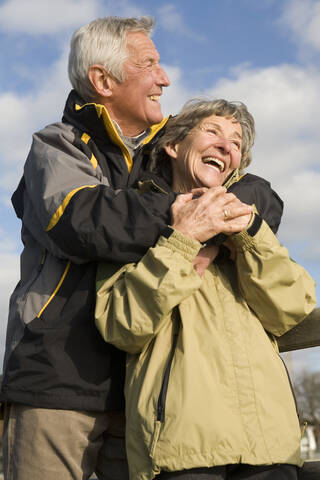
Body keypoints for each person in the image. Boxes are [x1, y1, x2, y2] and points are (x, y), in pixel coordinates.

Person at [0, 17, 252, 480]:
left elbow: (259, 194)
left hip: (144, 388)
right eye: (150, 64)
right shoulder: (56, 146)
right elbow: (83, 221)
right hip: (55, 381)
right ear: (103, 81)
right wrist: (196, 215)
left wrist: (221, 206)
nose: (165, 78)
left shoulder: (167, 149)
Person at [95, 99, 317, 480]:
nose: (226, 145)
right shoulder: (132, 221)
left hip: (270, 444)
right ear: (174, 146)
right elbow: (123, 325)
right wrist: (183, 240)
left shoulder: (251, 227)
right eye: (213, 131)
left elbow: (293, 308)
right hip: (182, 449)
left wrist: (251, 236)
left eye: (236, 142)